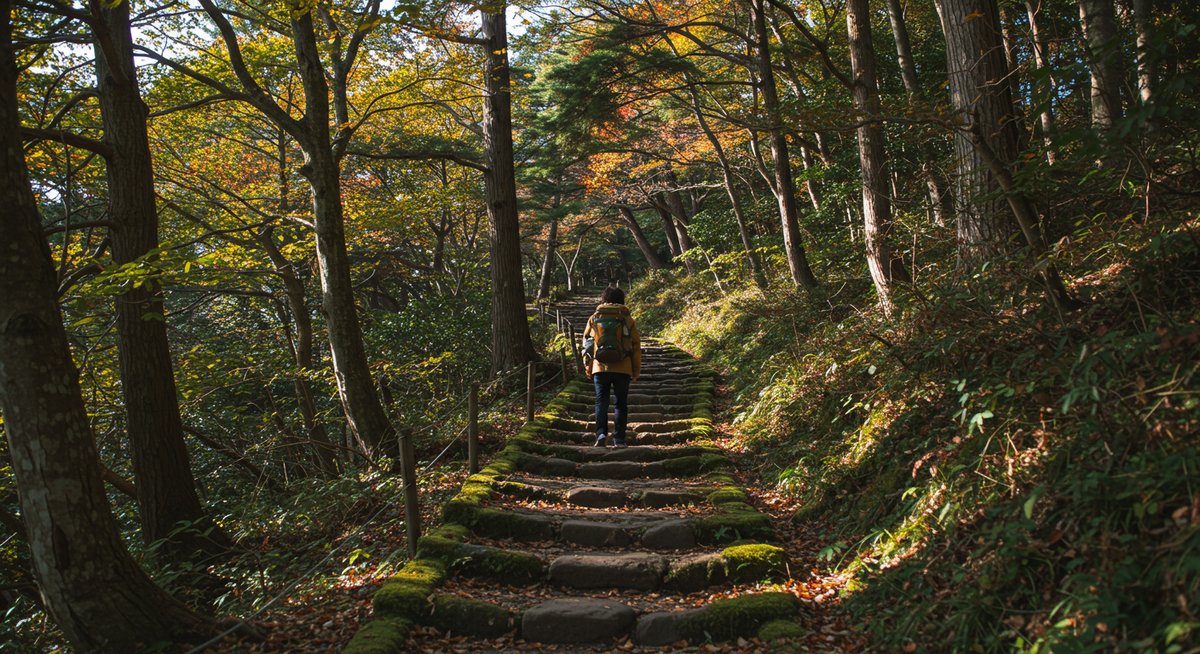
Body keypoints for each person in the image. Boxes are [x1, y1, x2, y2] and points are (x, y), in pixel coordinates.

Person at [581, 286, 641, 448]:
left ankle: (600, 434)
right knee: (621, 403)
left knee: (601, 402)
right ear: (621, 300)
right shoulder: (627, 318)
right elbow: (635, 346)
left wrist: (588, 366)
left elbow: (587, 345)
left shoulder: (595, 317)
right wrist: (636, 370)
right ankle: (619, 439)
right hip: (623, 367)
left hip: (600, 367)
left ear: (604, 299)